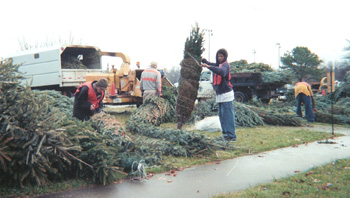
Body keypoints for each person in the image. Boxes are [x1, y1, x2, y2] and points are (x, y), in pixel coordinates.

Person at [201, 48, 237, 142]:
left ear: (225, 57)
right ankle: (225, 135)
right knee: (222, 116)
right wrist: (205, 62)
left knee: (228, 116)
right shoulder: (219, 64)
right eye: (218, 56)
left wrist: (208, 67)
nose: (219, 58)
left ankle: (231, 136)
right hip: (220, 95)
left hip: (226, 95)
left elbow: (221, 72)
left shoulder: (225, 65)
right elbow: (213, 65)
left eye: (221, 56)